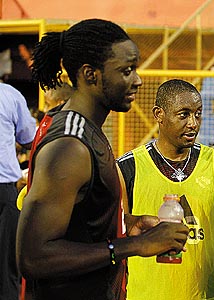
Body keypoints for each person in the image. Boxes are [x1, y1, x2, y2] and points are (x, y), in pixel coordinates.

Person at [16, 19, 189, 300]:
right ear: (90, 74)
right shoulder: (70, 146)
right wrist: (133, 245)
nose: (138, 80)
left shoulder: (87, 128)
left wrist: (125, 224)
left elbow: (79, 220)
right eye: (126, 70)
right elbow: (33, 256)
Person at [117, 79, 214, 300]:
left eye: (198, 113)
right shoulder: (128, 167)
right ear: (159, 114)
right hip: (144, 295)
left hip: (207, 295)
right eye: (184, 115)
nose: (193, 123)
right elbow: (119, 235)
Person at [0, 83, 36, 300]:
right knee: (6, 269)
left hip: (6, 185)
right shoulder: (9, 94)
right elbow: (28, 137)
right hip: (5, 188)